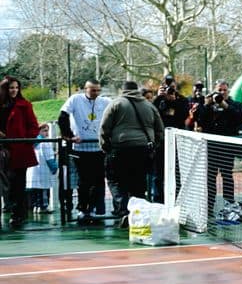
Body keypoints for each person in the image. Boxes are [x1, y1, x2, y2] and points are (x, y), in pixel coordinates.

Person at [99, 80, 165, 227]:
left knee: (115, 180)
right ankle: (137, 214)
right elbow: (160, 129)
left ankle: (123, 210)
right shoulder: (149, 105)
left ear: (122, 90)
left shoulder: (116, 104)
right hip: (143, 149)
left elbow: (104, 127)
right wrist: (154, 145)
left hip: (120, 148)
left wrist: (106, 147)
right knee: (139, 184)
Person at [58, 79, 110, 223]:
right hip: (81, 148)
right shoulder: (75, 99)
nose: (96, 93)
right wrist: (69, 136)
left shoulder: (105, 101)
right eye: (93, 90)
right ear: (85, 89)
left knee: (98, 180)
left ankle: (94, 208)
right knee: (84, 180)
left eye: (98, 90)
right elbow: (62, 116)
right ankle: (83, 208)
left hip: (99, 148)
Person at [193, 80, 242, 213]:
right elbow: (199, 120)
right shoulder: (208, 105)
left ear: (228, 91)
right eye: (219, 90)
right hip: (210, 147)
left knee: (227, 175)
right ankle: (209, 205)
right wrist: (206, 104)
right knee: (210, 177)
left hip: (227, 147)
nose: (222, 93)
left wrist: (225, 105)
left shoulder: (235, 104)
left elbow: (239, 119)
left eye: (224, 90)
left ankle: (229, 204)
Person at [0, 76, 39, 228]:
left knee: (18, 184)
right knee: (6, 184)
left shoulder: (25, 105)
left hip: (18, 151)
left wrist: (22, 140)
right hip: (3, 149)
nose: (14, 90)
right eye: (11, 88)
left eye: (16, 87)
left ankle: (18, 215)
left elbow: (33, 127)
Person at [25, 123, 57, 215]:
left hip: (32, 170)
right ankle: (43, 207)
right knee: (43, 190)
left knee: (35, 191)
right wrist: (54, 168)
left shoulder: (32, 143)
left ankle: (36, 207)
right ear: (39, 131)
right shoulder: (45, 143)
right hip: (43, 170)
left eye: (47, 130)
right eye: (44, 131)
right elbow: (49, 158)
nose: (47, 133)